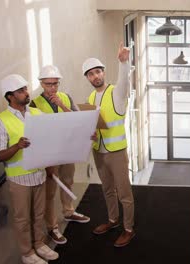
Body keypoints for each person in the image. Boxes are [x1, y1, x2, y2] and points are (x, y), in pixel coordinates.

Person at [0, 74, 59, 264]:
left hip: (39, 174)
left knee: (39, 214)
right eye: (20, 91)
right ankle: (27, 252)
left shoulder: (36, 114)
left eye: (25, 89)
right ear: (10, 96)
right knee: (23, 219)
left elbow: (53, 134)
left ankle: (39, 244)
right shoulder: (2, 120)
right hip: (19, 178)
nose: (26, 93)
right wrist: (17, 146)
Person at [29, 65, 90, 245]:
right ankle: (52, 227)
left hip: (68, 149)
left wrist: (62, 105)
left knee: (68, 181)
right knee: (50, 192)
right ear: (41, 83)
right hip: (50, 154)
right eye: (49, 84)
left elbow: (77, 120)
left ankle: (69, 211)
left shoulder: (66, 97)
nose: (53, 88)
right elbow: (36, 132)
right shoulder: (34, 103)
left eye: (55, 84)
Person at [82, 43, 135, 247]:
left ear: (103, 72)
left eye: (97, 72)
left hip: (116, 152)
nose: (95, 76)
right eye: (90, 74)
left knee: (124, 193)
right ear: (87, 78)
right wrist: (91, 134)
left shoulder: (116, 93)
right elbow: (93, 124)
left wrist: (123, 62)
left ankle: (128, 229)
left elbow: (124, 81)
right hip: (99, 151)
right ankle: (113, 220)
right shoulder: (90, 98)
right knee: (107, 190)